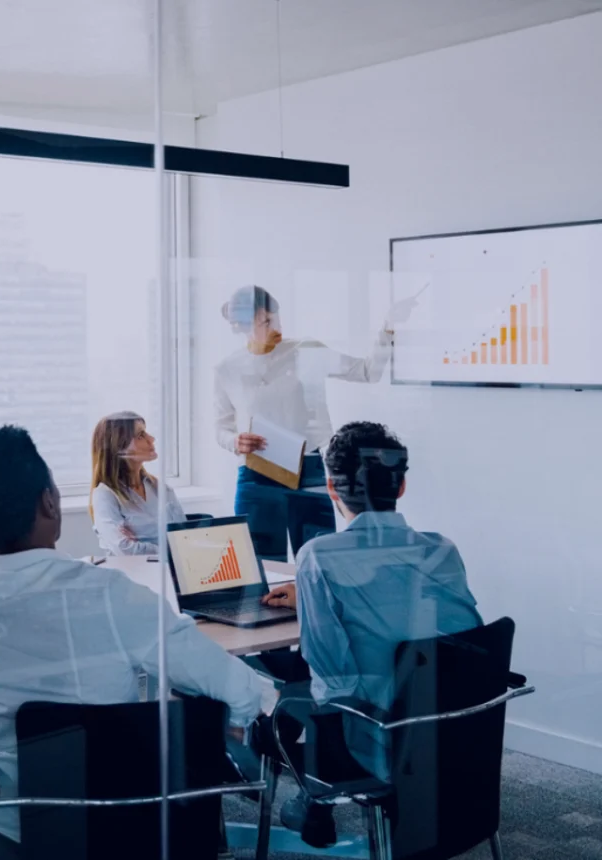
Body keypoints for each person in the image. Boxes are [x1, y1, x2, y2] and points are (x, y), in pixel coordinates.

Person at [0, 425, 277, 849]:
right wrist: (244, 718)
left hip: (24, 827)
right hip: (128, 820)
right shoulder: (109, 595)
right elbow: (229, 683)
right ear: (49, 503)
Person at [254, 421, 482, 847]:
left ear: (331, 489)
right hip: (463, 732)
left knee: (282, 710)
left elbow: (332, 679)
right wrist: (312, 598)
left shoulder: (320, 558)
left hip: (383, 743)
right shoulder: (440, 550)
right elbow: (415, 616)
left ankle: (313, 799)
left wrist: (314, 595)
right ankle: (314, 804)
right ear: (401, 487)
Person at [213, 285, 417, 561]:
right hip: (256, 474)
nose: (277, 326)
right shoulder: (227, 369)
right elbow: (221, 428)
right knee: (257, 565)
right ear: (242, 326)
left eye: (277, 317)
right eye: (266, 321)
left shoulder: (305, 350)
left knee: (320, 559)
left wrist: (389, 327)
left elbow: (368, 372)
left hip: (307, 470)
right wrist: (234, 441)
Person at [89, 411, 185, 555]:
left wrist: (141, 545)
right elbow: (124, 549)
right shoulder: (105, 495)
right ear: (119, 446)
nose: (151, 439)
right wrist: (169, 552)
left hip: (168, 573)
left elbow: (184, 537)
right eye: (141, 435)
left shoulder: (159, 487)